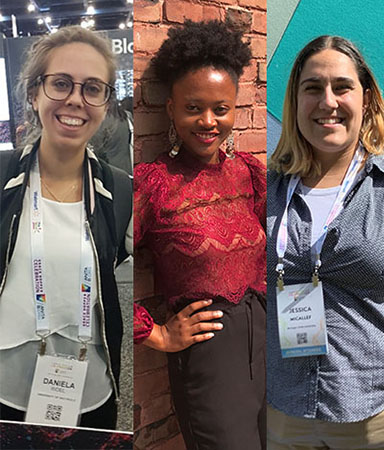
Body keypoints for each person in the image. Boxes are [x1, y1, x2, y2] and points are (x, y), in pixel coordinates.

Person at [131, 21, 266, 450]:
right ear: (170, 109)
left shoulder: (249, 173)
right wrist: (156, 334)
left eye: (220, 109)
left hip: (268, 346)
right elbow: (87, 264)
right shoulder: (153, 185)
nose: (208, 122)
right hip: (209, 361)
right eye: (193, 108)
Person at [266, 35, 384, 449]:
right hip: (283, 417)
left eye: (342, 87)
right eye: (313, 88)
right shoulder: (267, 189)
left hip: (375, 419)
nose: (327, 101)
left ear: (367, 100)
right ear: (295, 102)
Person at [0, 26, 131, 430]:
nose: (76, 99)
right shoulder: (2, 177)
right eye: (60, 84)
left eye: (93, 88)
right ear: (34, 93)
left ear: (105, 102)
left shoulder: (121, 190)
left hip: (90, 394)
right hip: (4, 397)